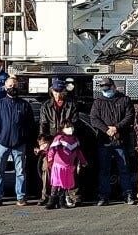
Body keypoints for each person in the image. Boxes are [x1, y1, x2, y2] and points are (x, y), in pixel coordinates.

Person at [0, 76, 35, 207]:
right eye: (10, 86)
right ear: (5, 87)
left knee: (20, 172)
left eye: (15, 85)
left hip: (19, 144)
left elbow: (30, 124)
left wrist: (23, 137)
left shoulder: (24, 105)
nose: (12, 88)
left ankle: (21, 197)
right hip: (1, 144)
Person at [89, 77, 137, 206]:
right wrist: (106, 130)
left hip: (120, 140)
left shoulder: (124, 100)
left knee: (124, 169)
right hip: (104, 141)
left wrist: (117, 128)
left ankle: (128, 194)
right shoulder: (98, 102)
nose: (106, 90)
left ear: (114, 87)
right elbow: (94, 119)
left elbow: (130, 116)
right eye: (104, 88)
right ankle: (104, 196)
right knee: (104, 170)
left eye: (108, 88)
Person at [38, 77, 79, 207]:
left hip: (67, 142)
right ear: (51, 91)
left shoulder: (71, 105)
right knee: (47, 167)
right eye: (55, 91)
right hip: (52, 142)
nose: (57, 94)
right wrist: (42, 142)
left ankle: (72, 196)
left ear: (64, 92)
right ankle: (47, 196)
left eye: (59, 91)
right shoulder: (46, 106)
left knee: (71, 169)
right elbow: (43, 125)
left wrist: (66, 138)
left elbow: (74, 123)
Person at [38, 123, 88, 210]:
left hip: (68, 166)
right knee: (56, 183)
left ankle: (61, 201)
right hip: (58, 165)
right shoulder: (59, 138)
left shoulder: (75, 140)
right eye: (67, 127)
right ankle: (52, 201)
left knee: (64, 184)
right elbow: (52, 150)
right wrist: (50, 160)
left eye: (71, 127)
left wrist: (83, 161)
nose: (70, 129)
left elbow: (78, 152)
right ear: (62, 129)